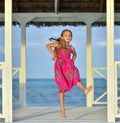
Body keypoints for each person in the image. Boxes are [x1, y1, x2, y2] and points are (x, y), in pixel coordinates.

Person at [46, 29, 92, 118]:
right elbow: (48, 45)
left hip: (69, 66)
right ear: (62, 37)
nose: (68, 37)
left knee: (75, 77)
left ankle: (85, 90)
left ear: (71, 38)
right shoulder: (59, 45)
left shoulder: (71, 48)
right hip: (60, 67)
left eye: (69, 35)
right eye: (66, 35)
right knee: (62, 89)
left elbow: (74, 55)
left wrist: (72, 60)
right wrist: (53, 54)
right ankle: (63, 110)